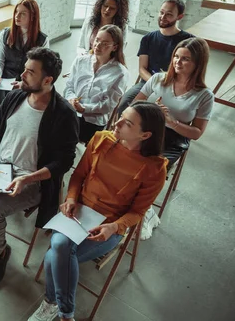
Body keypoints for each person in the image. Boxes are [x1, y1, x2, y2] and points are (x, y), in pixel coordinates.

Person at [0, 47, 79, 289]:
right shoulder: (15, 97)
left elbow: (64, 161)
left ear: (48, 80)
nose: (22, 75)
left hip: (29, 179)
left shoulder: (63, 114)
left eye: (30, 72)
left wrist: (30, 178)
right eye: (24, 69)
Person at [28, 101, 167, 321]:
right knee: (60, 248)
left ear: (145, 135)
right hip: (79, 211)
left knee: (56, 252)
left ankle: (52, 304)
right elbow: (78, 176)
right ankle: (66, 314)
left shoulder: (155, 169)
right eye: (121, 116)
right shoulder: (102, 139)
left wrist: (114, 227)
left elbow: (137, 212)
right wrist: (71, 197)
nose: (118, 122)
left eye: (127, 123)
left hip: (109, 225)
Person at [133, 37, 214, 239]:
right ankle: (126, 203)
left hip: (175, 138)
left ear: (198, 63)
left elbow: (196, 133)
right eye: (176, 56)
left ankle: (146, 212)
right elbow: (135, 105)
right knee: (125, 160)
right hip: (149, 128)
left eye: (185, 59)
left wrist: (172, 121)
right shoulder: (159, 79)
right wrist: (152, 110)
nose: (178, 62)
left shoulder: (204, 95)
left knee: (153, 169)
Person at [117, 0, 194, 116]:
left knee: (168, 113)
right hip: (148, 82)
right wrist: (156, 85)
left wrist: (167, 88)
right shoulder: (148, 38)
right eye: (161, 12)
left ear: (179, 17)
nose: (163, 17)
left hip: (176, 86)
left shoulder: (188, 41)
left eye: (169, 14)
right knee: (125, 105)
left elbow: (191, 70)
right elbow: (142, 69)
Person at [0, 0, 49, 120]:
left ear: (32, 17)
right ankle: (1, 124)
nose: (17, 16)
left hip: (26, 81)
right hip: (4, 79)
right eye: (16, 12)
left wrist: (23, 83)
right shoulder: (5, 34)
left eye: (22, 13)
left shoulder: (42, 40)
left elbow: (42, 71)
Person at [64, 25, 129, 143]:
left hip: (93, 121)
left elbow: (109, 105)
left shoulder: (120, 73)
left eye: (105, 43)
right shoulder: (80, 61)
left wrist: (85, 109)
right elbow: (69, 86)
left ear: (114, 47)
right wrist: (72, 99)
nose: (98, 45)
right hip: (72, 112)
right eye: (97, 40)